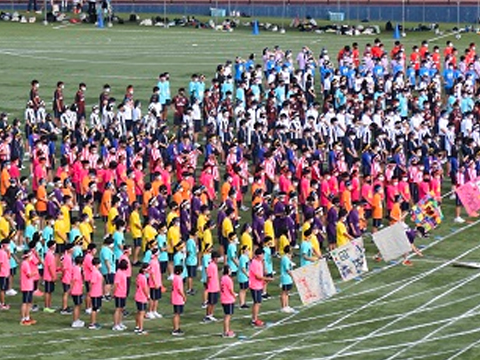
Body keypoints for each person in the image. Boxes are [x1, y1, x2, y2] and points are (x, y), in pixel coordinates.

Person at [249, 247, 273, 327]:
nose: (263, 256)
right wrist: (267, 279)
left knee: (258, 302)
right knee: (257, 303)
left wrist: (264, 280)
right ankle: (254, 320)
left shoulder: (259, 262)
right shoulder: (254, 263)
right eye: (262, 254)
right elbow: (257, 276)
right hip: (255, 286)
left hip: (258, 285)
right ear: (258, 255)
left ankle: (255, 318)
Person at [20, 249, 37, 325]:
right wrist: (35, 273)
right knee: (25, 302)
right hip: (26, 286)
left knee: (29, 302)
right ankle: (23, 318)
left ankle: (27, 317)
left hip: (29, 285)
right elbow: (29, 275)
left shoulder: (27, 263)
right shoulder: (25, 264)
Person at [220, 264, 237, 338]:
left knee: (226, 316)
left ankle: (226, 330)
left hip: (223, 299)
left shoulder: (222, 278)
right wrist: (234, 295)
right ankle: (226, 332)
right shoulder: (228, 279)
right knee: (227, 317)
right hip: (228, 299)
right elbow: (231, 290)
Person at [204, 250, 220, 323]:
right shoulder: (211, 266)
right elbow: (209, 277)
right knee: (211, 302)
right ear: (214, 258)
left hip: (215, 286)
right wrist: (208, 285)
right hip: (212, 287)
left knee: (213, 302)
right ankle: (208, 315)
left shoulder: (214, 265)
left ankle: (211, 314)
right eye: (217, 258)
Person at [134, 263, 150, 335]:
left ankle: (137, 326)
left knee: (138, 312)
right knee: (141, 313)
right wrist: (148, 296)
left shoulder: (139, 276)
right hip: (142, 297)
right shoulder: (143, 277)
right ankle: (140, 329)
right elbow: (144, 288)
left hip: (138, 296)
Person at [112, 259, 128, 331]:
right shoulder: (118, 273)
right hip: (118, 293)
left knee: (121, 309)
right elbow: (116, 284)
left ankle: (120, 322)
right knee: (118, 309)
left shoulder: (123, 272)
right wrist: (114, 293)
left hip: (123, 293)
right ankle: (115, 324)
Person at [280, 245, 295, 313]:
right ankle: (283, 306)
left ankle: (287, 305)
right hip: (286, 278)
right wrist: (292, 276)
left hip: (288, 278)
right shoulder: (285, 258)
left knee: (287, 293)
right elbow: (287, 269)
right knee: (284, 292)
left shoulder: (288, 258)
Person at [171, 265, 186, 336]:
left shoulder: (175, 278)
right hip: (178, 298)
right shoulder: (179, 279)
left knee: (177, 314)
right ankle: (176, 329)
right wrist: (184, 296)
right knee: (177, 314)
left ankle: (177, 328)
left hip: (175, 297)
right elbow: (179, 289)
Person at [88, 257, 103, 330]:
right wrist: (90, 292)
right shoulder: (94, 272)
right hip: (95, 293)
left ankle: (94, 322)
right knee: (94, 308)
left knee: (96, 308)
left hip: (98, 292)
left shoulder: (96, 271)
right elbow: (91, 283)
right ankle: (92, 323)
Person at [43, 240, 57, 313]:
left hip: (49, 276)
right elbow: (50, 267)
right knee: (48, 292)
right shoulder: (50, 255)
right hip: (49, 276)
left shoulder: (50, 254)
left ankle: (49, 305)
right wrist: (53, 276)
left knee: (50, 291)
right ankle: (46, 306)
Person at [60, 243, 74, 315]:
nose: (73, 249)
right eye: (72, 248)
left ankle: (65, 307)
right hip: (66, 278)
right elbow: (64, 269)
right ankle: (64, 308)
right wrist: (63, 276)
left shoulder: (68, 256)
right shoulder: (67, 257)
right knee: (66, 293)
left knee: (67, 293)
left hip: (68, 277)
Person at [71, 255, 84, 328]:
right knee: (77, 305)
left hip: (78, 289)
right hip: (76, 290)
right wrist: (71, 288)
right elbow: (74, 280)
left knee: (78, 305)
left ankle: (77, 319)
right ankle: (75, 321)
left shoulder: (77, 269)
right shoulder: (76, 269)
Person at [185, 229, 198, 295]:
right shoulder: (190, 241)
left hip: (192, 260)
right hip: (190, 261)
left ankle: (191, 288)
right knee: (190, 276)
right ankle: (189, 289)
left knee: (191, 276)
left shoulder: (192, 241)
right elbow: (189, 251)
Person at [237, 245, 250, 309]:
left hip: (245, 276)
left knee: (245, 289)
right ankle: (242, 303)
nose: (248, 251)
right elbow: (243, 268)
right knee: (242, 290)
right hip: (243, 276)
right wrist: (247, 275)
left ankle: (243, 302)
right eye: (247, 250)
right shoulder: (242, 257)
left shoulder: (246, 257)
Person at [0, 239, 10, 310]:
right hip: (2, 274)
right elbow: (0, 263)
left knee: (3, 289)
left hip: (5, 273)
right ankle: (2, 304)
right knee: (2, 290)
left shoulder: (4, 252)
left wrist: (8, 251)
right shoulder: (2, 253)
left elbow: (8, 257)